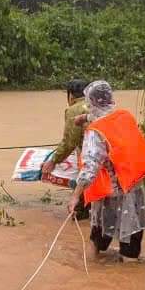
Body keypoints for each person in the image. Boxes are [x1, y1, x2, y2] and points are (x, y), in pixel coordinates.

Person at [66, 81, 145, 261]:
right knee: (131, 248)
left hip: (109, 194)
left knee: (97, 239)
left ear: (91, 102)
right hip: (132, 190)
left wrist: (75, 196)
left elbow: (90, 168)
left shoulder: (95, 133)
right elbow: (107, 118)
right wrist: (86, 118)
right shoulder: (125, 117)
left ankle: (91, 273)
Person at [42, 79, 91, 220]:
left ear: (70, 96)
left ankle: (80, 215)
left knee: (80, 205)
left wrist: (53, 161)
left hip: (90, 158)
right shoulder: (98, 105)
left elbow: (70, 142)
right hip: (109, 157)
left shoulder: (74, 109)